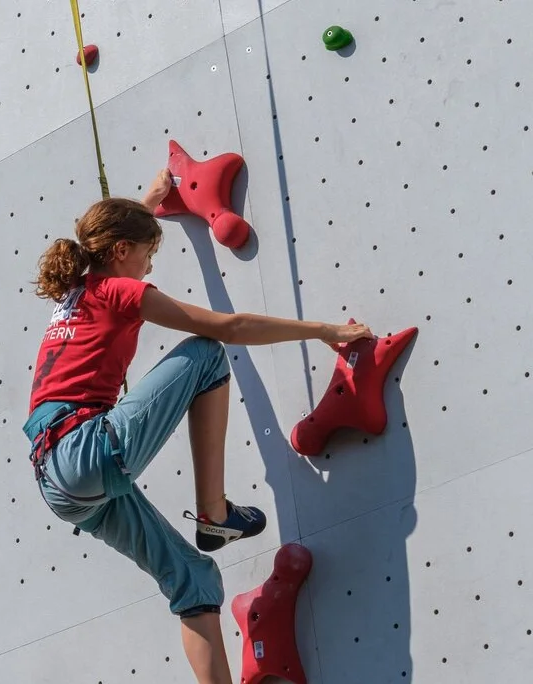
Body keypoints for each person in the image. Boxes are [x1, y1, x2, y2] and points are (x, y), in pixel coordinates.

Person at [22, 169, 373, 684]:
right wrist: (323, 329)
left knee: (193, 581)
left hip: (58, 485)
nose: (148, 268)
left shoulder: (75, 287)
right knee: (207, 354)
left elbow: (112, 236)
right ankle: (214, 513)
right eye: (148, 255)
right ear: (121, 251)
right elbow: (228, 327)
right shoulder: (120, 290)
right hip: (85, 450)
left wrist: (151, 199)